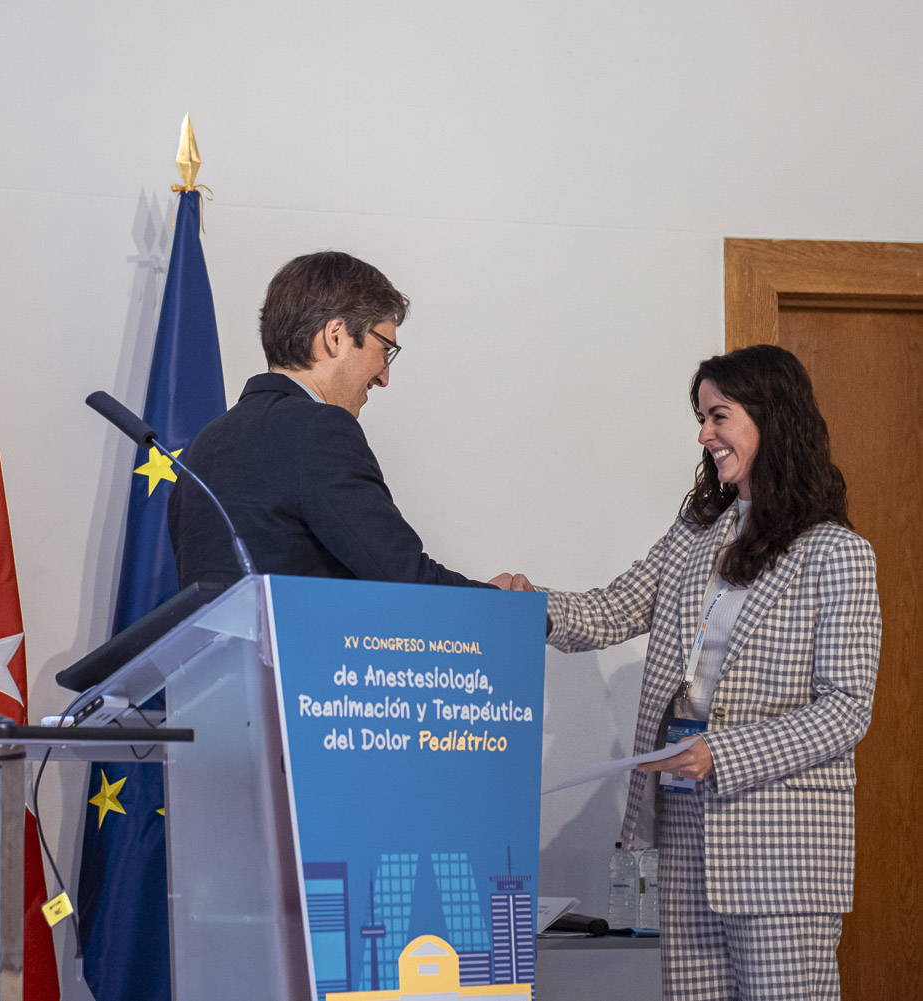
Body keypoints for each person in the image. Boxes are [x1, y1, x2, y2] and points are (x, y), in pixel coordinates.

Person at [539, 344, 880, 1000]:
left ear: (771, 418)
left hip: (783, 850)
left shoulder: (837, 554)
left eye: (719, 416)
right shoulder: (694, 534)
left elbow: (845, 709)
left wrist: (720, 753)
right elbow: (611, 609)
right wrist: (523, 608)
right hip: (686, 832)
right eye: (701, 418)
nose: (704, 435)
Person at [168, 251, 510, 590]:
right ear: (335, 336)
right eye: (385, 349)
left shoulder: (204, 445)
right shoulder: (319, 429)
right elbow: (405, 581)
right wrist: (508, 603)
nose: (384, 377)